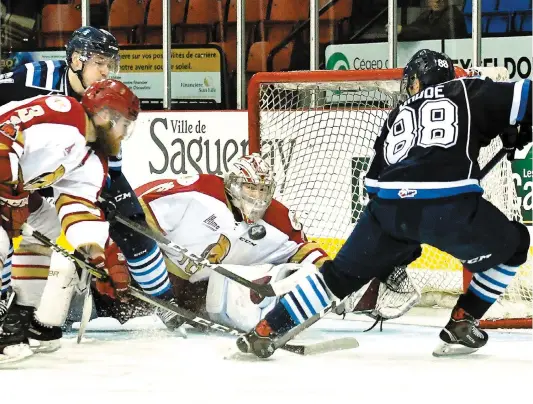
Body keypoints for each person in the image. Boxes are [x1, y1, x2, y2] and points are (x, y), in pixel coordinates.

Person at [236, 49, 532, 358]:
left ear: (416, 81)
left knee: (338, 277)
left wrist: (392, 245)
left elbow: (373, 184)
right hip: (448, 207)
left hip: (388, 211)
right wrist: (518, 124)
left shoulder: (398, 113)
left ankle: (268, 328)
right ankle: (463, 319)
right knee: (516, 245)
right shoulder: (469, 89)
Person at [0, 27, 173, 328]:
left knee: (128, 222)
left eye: (111, 64)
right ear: (77, 61)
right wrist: (8, 189)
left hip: (41, 171)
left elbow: (95, 180)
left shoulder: (104, 114)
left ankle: (163, 301)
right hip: (14, 161)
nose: (107, 72)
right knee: (6, 235)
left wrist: (98, 247)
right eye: (100, 63)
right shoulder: (31, 82)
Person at [90, 153, 333, 331]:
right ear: (234, 185)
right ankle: (85, 299)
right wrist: (117, 252)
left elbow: (301, 249)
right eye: (251, 188)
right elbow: (135, 213)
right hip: (156, 277)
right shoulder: (199, 191)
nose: (258, 198)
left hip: (198, 294)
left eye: (263, 190)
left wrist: (332, 272)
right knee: (109, 297)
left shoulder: (278, 217)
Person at [0, 79, 138, 357]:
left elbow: (78, 207)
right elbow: (4, 132)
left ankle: (23, 314)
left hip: (14, 192)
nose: (124, 135)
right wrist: (7, 189)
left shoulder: (91, 157)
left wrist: (98, 253)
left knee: (50, 229)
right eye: (125, 124)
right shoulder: (63, 113)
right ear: (105, 116)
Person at [394, 0, 467, 41]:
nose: (437, 1)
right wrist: (399, 32)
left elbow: (434, 33)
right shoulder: (427, 15)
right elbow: (416, 27)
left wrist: (402, 30)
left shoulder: (453, 14)